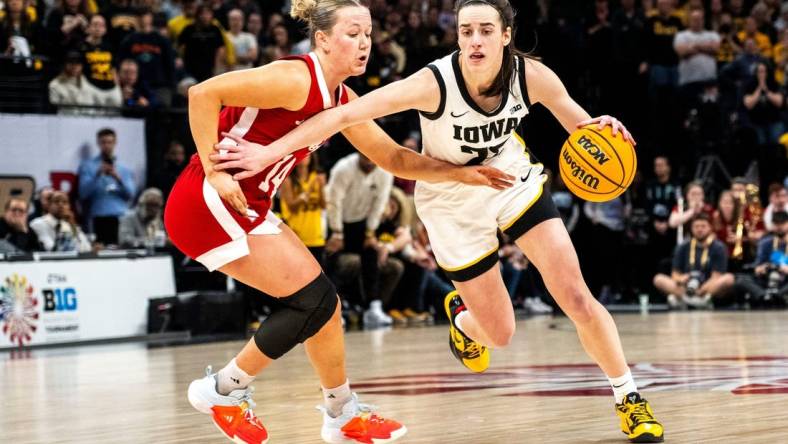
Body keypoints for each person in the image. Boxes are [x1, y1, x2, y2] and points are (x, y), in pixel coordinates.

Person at [212, 0, 664, 442]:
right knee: (499, 334)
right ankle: (464, 320)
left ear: (506, 36)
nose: (475, 40)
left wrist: (601, 129)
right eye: (466, 31)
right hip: (450, 201)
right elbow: (344, 113)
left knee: (576, 296)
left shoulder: (533, 77)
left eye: (486, 30)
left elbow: (582, 131)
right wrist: (270, 152)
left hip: (511, 181)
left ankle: (629, 400)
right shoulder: (433, 83)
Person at [163, 0, 512, 443]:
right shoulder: (295, 78)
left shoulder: (342, 99)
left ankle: (341, 413)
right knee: (315, 301)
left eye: (368, 34)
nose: (364, 43)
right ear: (323, 40)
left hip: (248, 206)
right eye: (352, 33)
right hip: (208, 200)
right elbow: (202, 93)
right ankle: (222, 391)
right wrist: (214, 171)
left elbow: (393, 158)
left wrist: (461, 173)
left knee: (327, 313)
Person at [653, 213, 735, 309]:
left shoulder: (718, 247)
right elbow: (675, 274)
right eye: (696, 226)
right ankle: (699, 302)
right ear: (691, 228)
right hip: (685, 288)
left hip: (707, 287)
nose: (699, 229)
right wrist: (681, 279)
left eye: (703, 226)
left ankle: (685, 301)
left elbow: (716, 276)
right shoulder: (683, 246)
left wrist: (701, 290)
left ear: (710, 228)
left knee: (728, 279)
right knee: (658, 279)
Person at [77, 127, 136, 245]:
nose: (107, 146)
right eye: (103, 142)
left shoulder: (124, 168)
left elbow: (131, 195)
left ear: (115, 143)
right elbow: (83, 194)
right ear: (98, 143)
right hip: (99, 217)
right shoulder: (88, 166)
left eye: (110, 142)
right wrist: (97, 175)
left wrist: (118, 178)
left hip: (120, 217)